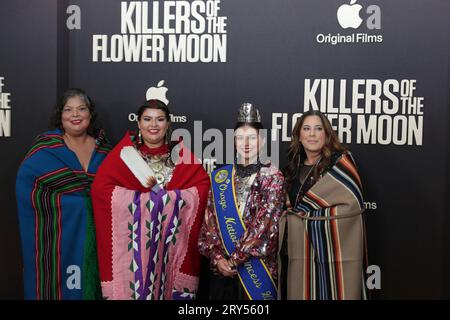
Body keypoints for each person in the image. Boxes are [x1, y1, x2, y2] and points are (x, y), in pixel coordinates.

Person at [91, 99, 210, 300]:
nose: (153, 125)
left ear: (168, 124)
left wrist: (171, 199)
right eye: (147, 119)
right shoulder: (124, 155)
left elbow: (201, 189)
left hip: (170, 245)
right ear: (138, 123)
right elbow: (101, 191)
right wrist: (148, 201)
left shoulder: (181, 156)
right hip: (134, 251)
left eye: (160, 119)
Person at [16, 88, 111, 300]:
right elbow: (29, 187)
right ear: (60, 115)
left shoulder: (105, 150)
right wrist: (82, 206)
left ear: (90, 114)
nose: (75, 115)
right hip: (59, 239)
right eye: (68, 110)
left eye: (81, 109)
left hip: (99, 241)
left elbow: (117, 190)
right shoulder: (46, 148)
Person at [198, 103, 285, 300]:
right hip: (221, 270)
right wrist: (218, 257)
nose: (246, 143)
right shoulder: (221, 176)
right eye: (240, 137)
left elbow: (265, 227)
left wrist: (234, 259)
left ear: (261, 141)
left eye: (252, 138)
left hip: (256, 270)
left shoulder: (273, 177)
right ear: (233, 141)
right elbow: (209, 222)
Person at [279, 110, 368, 300]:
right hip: (298, 255)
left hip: (332, 252)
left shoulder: (340, 165)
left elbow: (351, 206)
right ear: (299, 136)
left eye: (318, 129)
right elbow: (287, 209)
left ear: (326, 135)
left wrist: (308, 220)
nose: (312, 134)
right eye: (307, 129)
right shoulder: (290, 170)